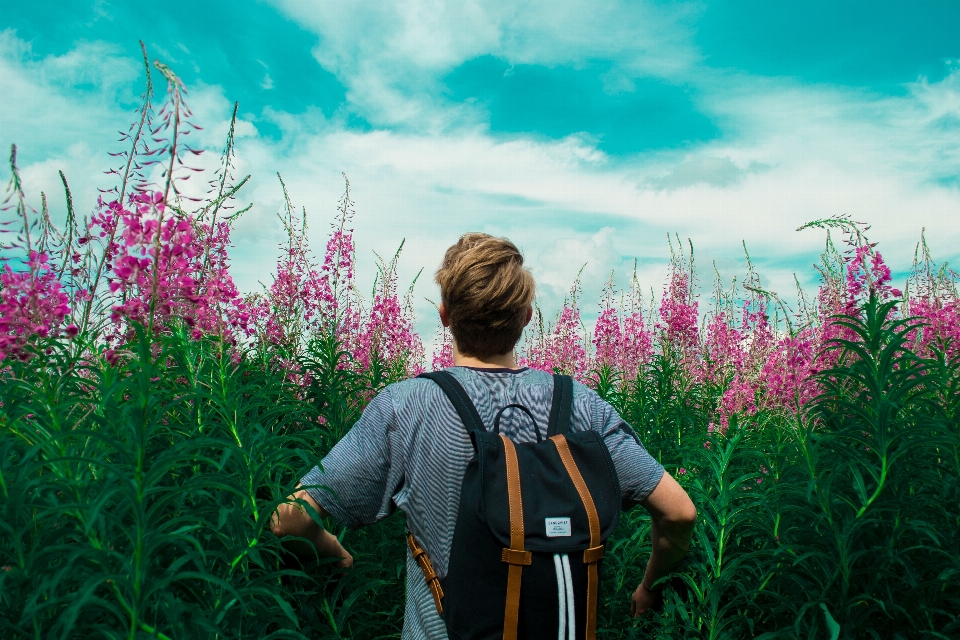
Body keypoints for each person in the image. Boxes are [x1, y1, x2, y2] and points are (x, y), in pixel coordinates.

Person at [271, 233, 697, 638]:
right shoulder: (584, 406)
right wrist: (650, 585)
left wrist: (333, 551)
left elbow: (289, 520)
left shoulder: (407, 406)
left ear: (444, 317)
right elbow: (679, 513)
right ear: (527, 317)